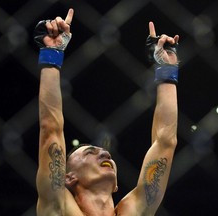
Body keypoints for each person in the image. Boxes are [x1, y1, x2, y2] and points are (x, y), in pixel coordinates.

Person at [34, 8, 179, 216]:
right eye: (90, 153)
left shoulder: (134, 211)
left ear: (116, 185)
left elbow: (166, 141)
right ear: (69, 177)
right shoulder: (58, 207)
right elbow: (51, 129)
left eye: (102, 152)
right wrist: (52, 53)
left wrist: (166, 69)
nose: (105, 153)